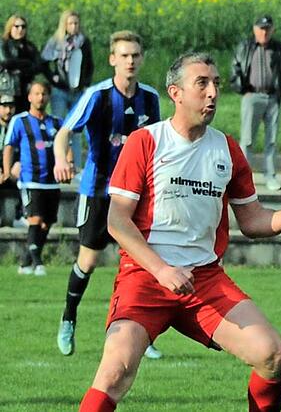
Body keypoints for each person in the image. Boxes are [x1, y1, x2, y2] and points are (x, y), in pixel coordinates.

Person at [77, 51, 281, 412]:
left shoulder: (227, 149)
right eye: (202, 83)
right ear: (175, 93)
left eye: (216, 84)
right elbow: (117, 221)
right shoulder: (145, 142)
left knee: (273, 356)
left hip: (204, 280)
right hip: (145, 277)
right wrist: (162, 270)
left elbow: (252, 220)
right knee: (115, 370)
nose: (212, 93)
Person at [53, 30, 162, 358]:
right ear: (113, 59)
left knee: (143, 264)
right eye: (124, 55)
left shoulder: (150, 98)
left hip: (135, 195)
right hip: (98, 191)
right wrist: (62, 157)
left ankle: (144, 337)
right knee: (88, 261)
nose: (130, 61)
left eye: (135, 55)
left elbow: (158, 144)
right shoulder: (97, 96)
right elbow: (64, 133)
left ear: (141, 59)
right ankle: (68, 319)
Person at [3, 78, 62, 276]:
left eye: (44, 94)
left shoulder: (56, 122)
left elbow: (65, 146)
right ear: (29, 97)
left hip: (52, 181)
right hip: (30, 179)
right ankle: (38, 263)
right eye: (36, 93)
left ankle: (25, 263)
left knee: (47, 223)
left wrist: (68, 164)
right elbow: (9, 146)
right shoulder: (19, 121)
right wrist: (7, 169)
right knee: (35, 219)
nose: (40, 97)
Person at [230, 15, 281, 191]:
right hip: (252, 96)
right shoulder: (246, 47)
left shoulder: (279, 49)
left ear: (272, 30)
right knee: (247, 139)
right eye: (261, 28)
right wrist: (242, 89)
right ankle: (242, 180)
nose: (264, 32)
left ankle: (270, 176)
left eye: (267, 29)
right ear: (254, 29)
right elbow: (236, 68)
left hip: (273, 97)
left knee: (271, 139)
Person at [41, 10, 94, 171]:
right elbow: (43, 61)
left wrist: (85, 83)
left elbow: (90, 65)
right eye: (70, 23)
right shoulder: (56, 41)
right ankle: (58, 164)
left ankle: (76, 166)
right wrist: (52, 79)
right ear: (64, 25)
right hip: (60, 90)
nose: (74, 26)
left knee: (76, 129)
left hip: (78, 91)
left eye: (76, 23)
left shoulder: (84, 42)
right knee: (58, 127)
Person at [0, 14, 49, 113]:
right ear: (10, 27)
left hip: (26, 90)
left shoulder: (29, 46)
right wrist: (27, 62)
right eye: (16, 26)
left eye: (23, 26)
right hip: (7, 90)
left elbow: (38, 66)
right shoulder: (3, 43)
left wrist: (21, 68)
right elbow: (6, 62)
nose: (20, 29)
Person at [0, 92, 24, 227]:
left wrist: (17, 166)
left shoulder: (19, 126)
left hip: (14, 169)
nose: (8, 110)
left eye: (11, 106)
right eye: (4, 106)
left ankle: (20, 214)